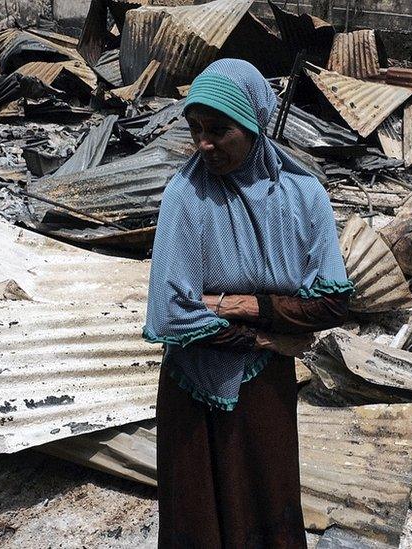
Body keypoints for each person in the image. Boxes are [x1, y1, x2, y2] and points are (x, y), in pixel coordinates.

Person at [142, 58, 354, 548]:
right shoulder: (186, 196)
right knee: (199, 517)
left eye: (220, 130)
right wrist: (269, 334)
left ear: (256, 124)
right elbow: (172, 316)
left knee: (266, 503)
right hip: (193, 384)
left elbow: (332, 302)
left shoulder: (304, 196)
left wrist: (240, 305)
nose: (204, 145)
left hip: (264, 388)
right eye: (195, 129)